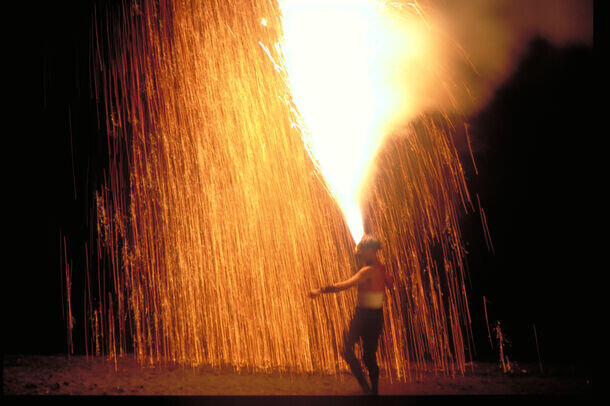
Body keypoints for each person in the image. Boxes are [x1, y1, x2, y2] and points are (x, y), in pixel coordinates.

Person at [308, 234, 394, 395]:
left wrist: (319, 290)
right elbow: (390, 283)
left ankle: (366, 387)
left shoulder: (367, 271)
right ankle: (373, 390)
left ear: (372, 251)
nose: (360, 252)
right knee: (369, 356)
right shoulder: (381, 268)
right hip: (375, 317)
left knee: (347, 350)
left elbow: (344, 285)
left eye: (364, 249)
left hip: (363, 317)